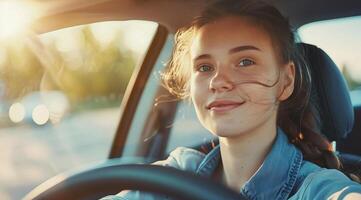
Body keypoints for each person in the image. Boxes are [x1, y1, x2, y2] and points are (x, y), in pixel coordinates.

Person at [102, 0, 361, 199]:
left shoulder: (317, 187)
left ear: (286, 81)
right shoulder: (178, 171)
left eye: (245, 61)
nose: (217, 81)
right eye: (204, 67)